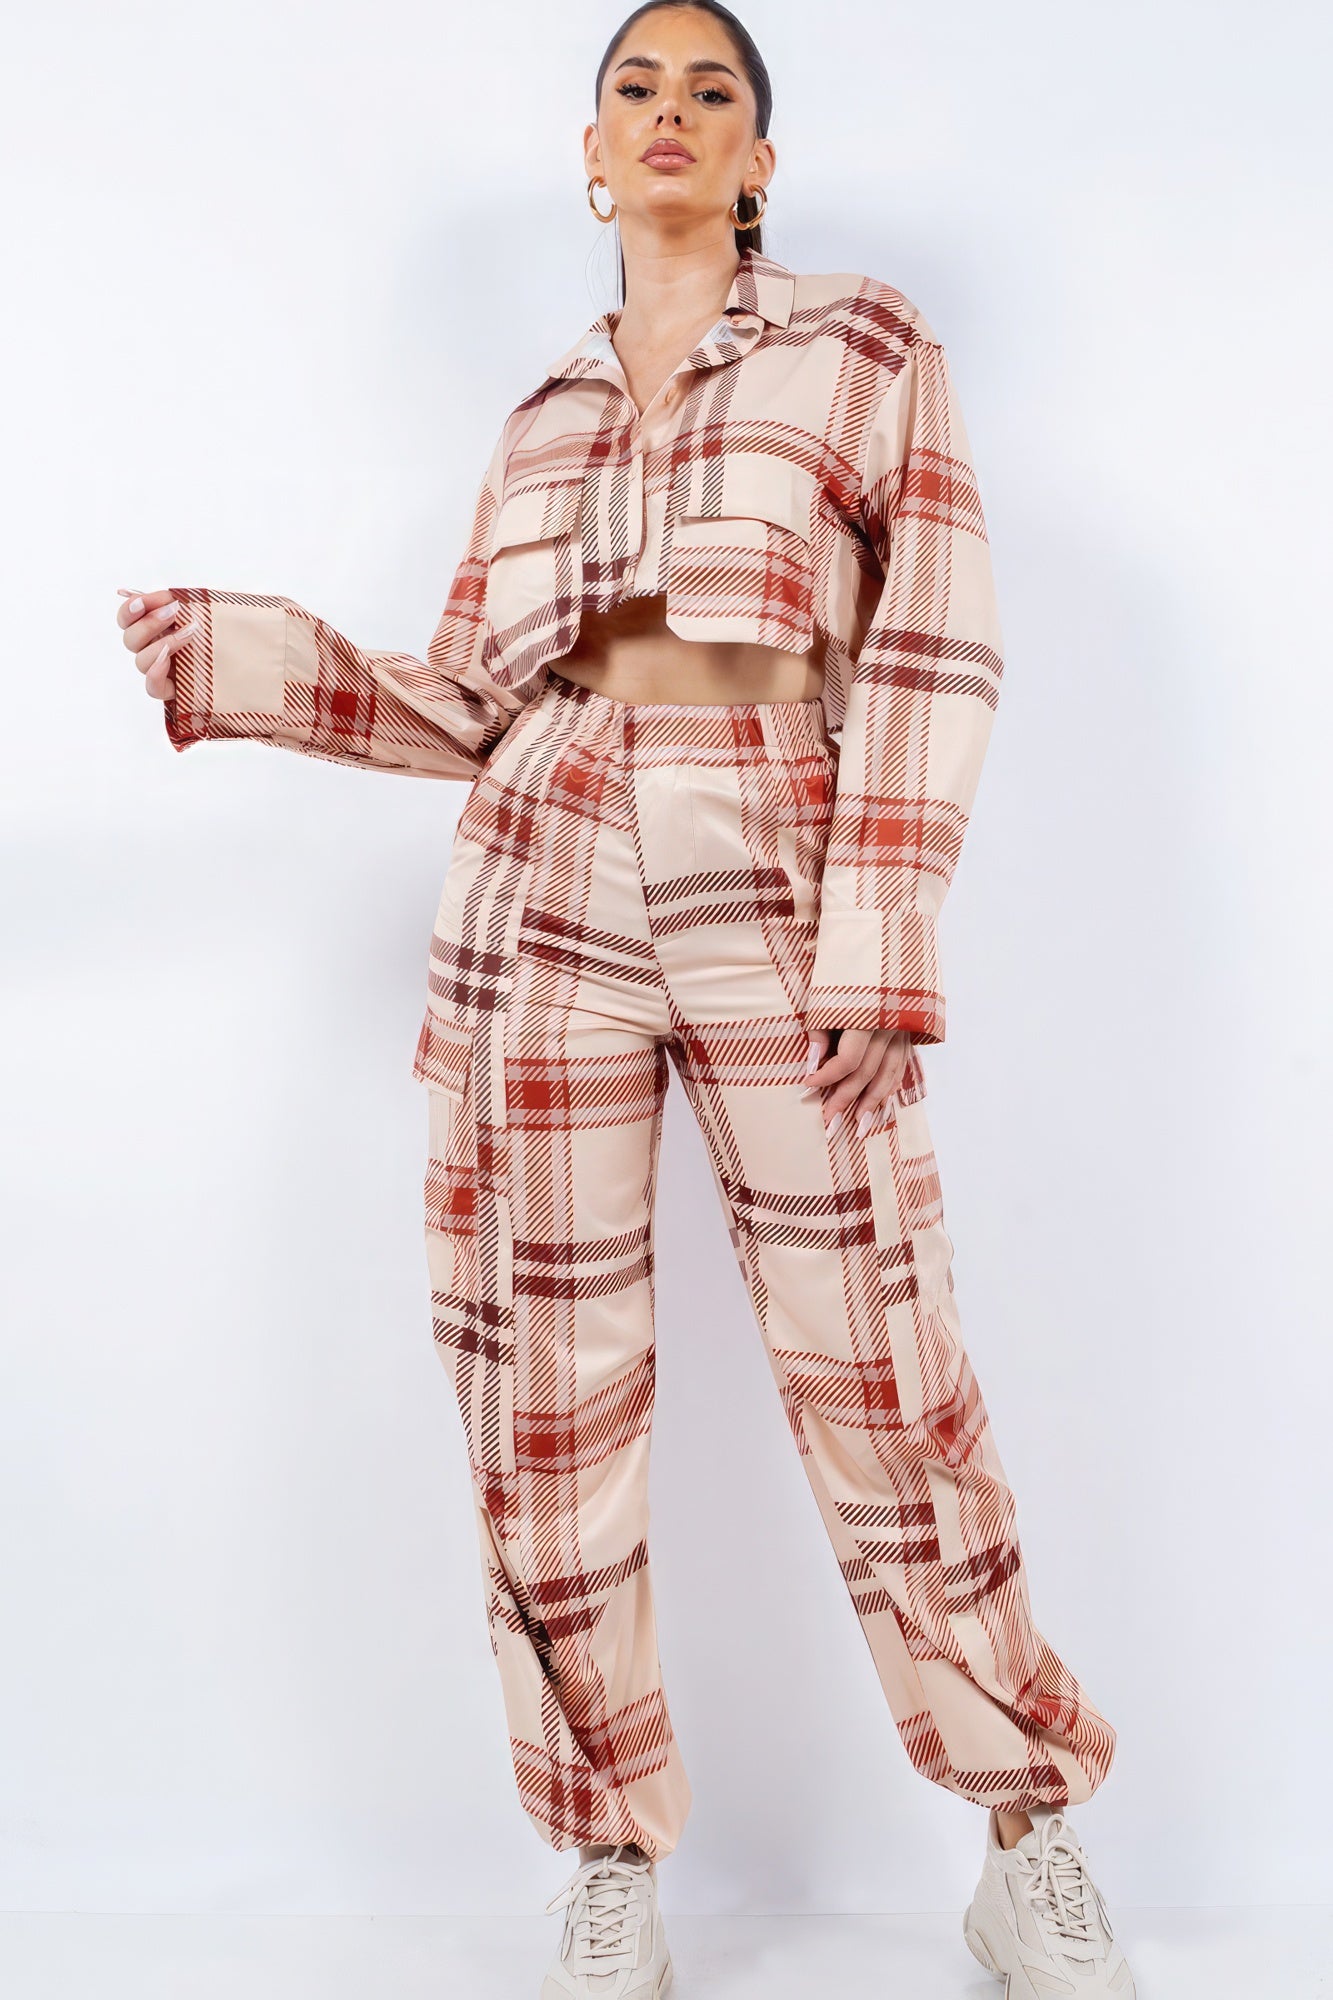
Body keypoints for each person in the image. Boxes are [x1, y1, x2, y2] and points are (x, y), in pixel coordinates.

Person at [116, 4, 1137, 1995]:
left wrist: (882, 931)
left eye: (712, 90)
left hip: (776, 861)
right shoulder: (540, 419)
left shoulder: (864, 347)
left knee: (876, 1356)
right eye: (635, 89)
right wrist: (246, 664)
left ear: (759, 157)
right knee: (543, 1377)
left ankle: (1025, 1828)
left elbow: (933, 634)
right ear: (592, 154)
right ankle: (603, 1852)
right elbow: (470, 702)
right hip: (543, 868)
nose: (671, 113)